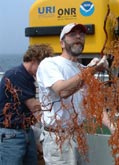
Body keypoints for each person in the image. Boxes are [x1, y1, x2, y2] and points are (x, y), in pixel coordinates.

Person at [36, 22, 112, 165]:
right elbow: (63, 91)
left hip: (80, 136)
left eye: (81, 35)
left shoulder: (82, 69)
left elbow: (94, 103)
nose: (78, 37)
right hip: (58, 139)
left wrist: (110, 124)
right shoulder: (50, 64)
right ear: (62, 43)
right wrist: (92, 71)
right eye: (72, 35)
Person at [0, 44, 54, 165]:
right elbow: (33, 106)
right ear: (34, 61)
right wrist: (56, 102)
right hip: (12, 135)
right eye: (42, 67)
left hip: (25, 131)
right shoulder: (16, 75)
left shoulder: (26, 77)